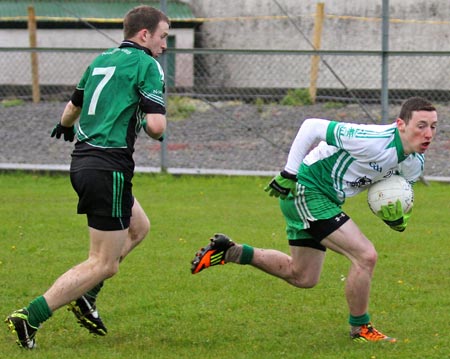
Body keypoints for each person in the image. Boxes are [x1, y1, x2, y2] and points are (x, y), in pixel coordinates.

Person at [191, 97, 438, 343]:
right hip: (307, 189)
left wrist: (397, 217)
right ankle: (361, 328)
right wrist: (290, 172)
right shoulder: (372, 139)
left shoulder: (414, 162)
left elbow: (395, 192)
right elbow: (311, 126)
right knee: (365, 256)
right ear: (401, 125)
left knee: (303, 276)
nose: (428, 134)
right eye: (421, 125)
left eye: (433, 127)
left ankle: (229, 252)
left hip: (327, 200)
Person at [5, 5, 170, 349]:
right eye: (163, 36)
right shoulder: (147, 65)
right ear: (144, 35)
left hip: (84, 161)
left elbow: (72, 108)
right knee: (103, 263)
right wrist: (144, 117)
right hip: (108, 166)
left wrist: (65, 126)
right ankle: (29, 317)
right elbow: (156, 128)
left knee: (139, 228)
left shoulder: (100, 61)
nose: (165, 44)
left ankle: (86, 296)